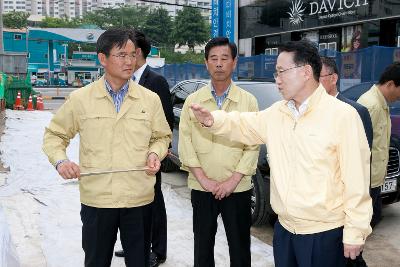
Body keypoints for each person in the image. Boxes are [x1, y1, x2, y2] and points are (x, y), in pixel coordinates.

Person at [189, 40, 373, 267]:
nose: (277, 80)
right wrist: (213, 120)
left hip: (324, 233)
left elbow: (357, 181)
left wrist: (356, 232)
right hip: (285, 231)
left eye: (281, 72)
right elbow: (244, 124)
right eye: (276, 73)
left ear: (306, 72)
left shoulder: (342, 116)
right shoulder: (279, 113)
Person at [42, 28, 172, 267]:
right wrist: (61, 161)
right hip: (98, 200)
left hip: (138, 199)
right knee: (96, 261)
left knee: (139, 262)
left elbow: (162, 136)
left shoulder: (149, 99)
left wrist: (155, 153)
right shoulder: (81, 99)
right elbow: (54, 135)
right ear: (103, 58)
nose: (129, 61)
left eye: (133, 55)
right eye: (121, 55)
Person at [178, 37, 259, 267]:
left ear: (234, 63)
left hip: (238, 188)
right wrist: (204, 180)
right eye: (214, 59)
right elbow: (186, 142)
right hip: (202, 187)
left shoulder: (248, 101)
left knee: (240, 246)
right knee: (203, 246)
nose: (219, 64)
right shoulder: (193, 102)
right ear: (206, 63)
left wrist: (233, 181)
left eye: (225, 58)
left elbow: (253, 144)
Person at [114, 30, 174, 267]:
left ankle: (158, 250)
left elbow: (166, 122)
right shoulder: (123, 81)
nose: (124, 58)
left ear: (137, 53)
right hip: (126, 157)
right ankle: (134, 245)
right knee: (131, 204)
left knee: (154, 204)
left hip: (150, 157)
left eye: (127, 52)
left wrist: (157, 151)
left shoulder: (156, 81)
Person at [320, 56, 372, 267]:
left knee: (350, 258)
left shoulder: (354, 112)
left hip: (345, 207)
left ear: (334, 78)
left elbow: (360, 169)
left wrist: (356, 220)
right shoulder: (309, 112)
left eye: (319, 76)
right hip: (322, 209)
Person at [357, 62, 400, 228]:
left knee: (371, 222)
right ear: (390, 84)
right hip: (366, 180)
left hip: (375, 179)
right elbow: (358, 146)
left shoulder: (381, 103)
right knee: (363, 224)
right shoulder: (371, 105)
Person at [320, 57, 373, 149]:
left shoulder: (357, 111)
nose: (313, 82)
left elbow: (363, 156)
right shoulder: (306, 108)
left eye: (318, 76)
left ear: (333, 78)